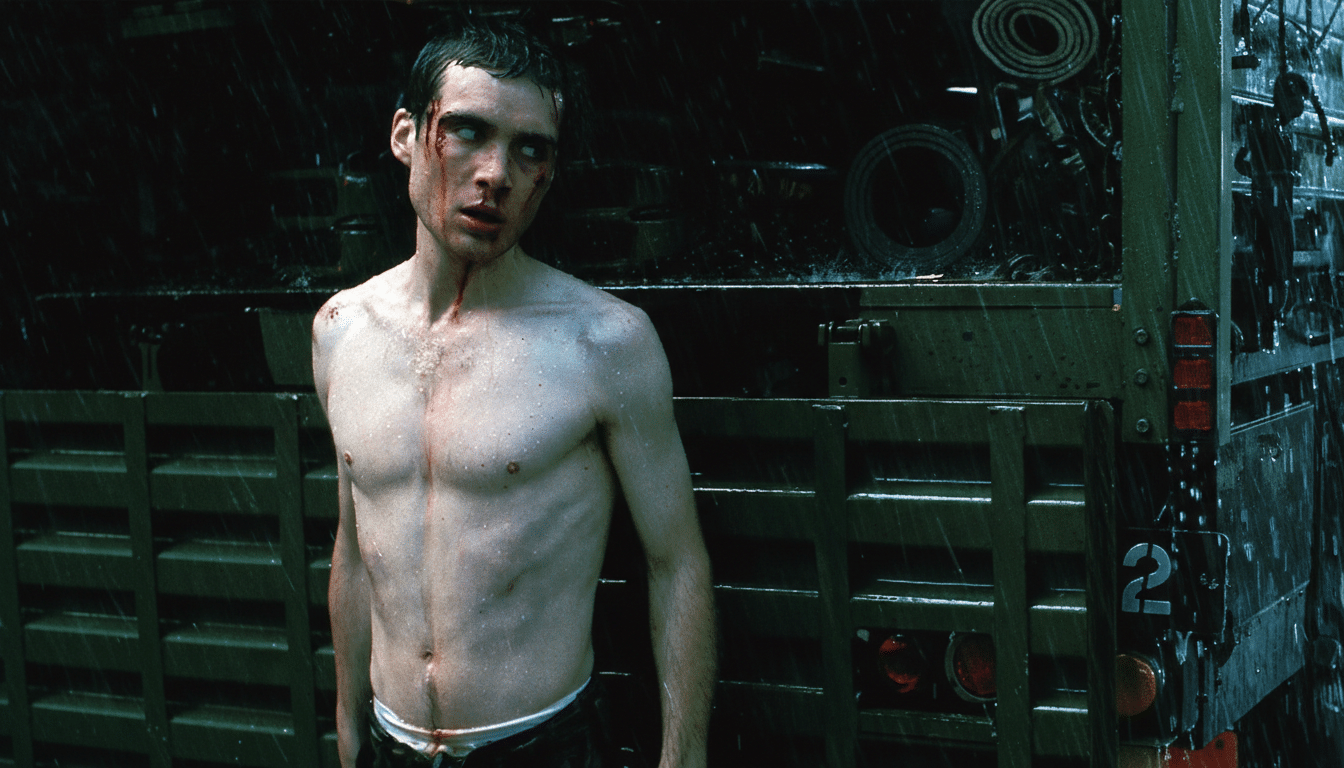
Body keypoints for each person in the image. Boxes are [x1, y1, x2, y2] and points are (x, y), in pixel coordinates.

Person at [311, 19, 716, 768]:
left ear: (549, 174)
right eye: (466, 131)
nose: (497, 172)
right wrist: (346, 729)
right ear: (406, 134)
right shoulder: (342, 330)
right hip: (388, 746)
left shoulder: (604, 341)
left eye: (531, 148)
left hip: (542, 747)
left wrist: (682, 756)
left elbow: (677, 562)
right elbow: (358, 551)